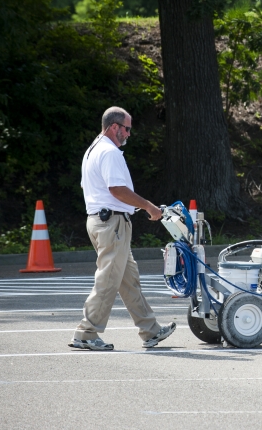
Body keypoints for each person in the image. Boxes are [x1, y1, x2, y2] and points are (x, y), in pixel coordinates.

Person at [69, 106, 175, 351]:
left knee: (128, 279)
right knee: (108, 279)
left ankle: (150, 330)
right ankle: (86, 333)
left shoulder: (93, 150)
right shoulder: (110, 152)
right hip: (112, 224)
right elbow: (116, 189)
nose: (128, 134)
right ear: (114, 127)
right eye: (127, 128)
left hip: (102, 221)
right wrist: (149, 206)